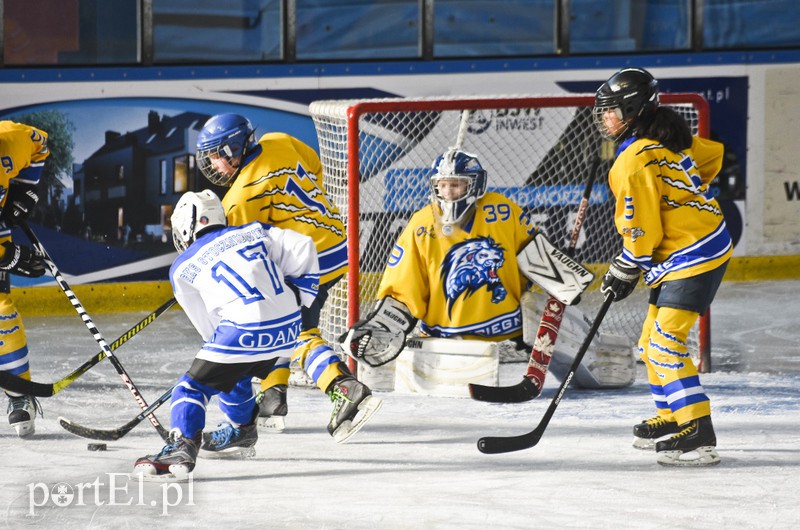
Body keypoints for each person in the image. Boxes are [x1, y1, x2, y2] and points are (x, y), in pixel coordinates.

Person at [341, 148, 602, 388]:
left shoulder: (501, 210)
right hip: (445, 337)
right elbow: (403, 284)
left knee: (547, 314)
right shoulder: (420, 224)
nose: (449, 192)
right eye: (442, 186)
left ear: (475, 185)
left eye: (456, 185)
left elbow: (532, 250)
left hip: (511, 329)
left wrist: (564, 280)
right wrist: (386, 323)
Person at [195, 114, 380, 442]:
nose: (212, 166)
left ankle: (345, 388)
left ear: (232, 150)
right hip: (337, 243)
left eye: (213, 157)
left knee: (294, 333)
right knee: (277, 315)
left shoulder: (239, 197)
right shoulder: (280, 140)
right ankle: (273, 394)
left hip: (307, 261)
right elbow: (315, 169)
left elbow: (245, 258)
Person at [592, 67, 733, 466]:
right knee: (648, 341)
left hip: (694, 253)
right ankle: (671, 416)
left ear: (632, 109)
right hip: (689, 248)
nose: (604, 118)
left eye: (610, 110)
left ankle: (698, 432)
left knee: (664, 343)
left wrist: (625, 267)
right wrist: (683, 196)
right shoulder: (663, 139)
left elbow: (643, 231)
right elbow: (711, 156)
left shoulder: (633, 161)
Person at [133, 190, 321, 479]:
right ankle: (242, 430)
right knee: (234, 373)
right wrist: (298, 298)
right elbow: (303, 245)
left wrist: (213, 364)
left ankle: (182, 444)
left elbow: (208, 327)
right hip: (288, 330)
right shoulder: (256, 230)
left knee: (192, 388)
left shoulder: (182, 267)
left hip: (244, 330)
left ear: (185, 227)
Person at [0, 120, 48, 437]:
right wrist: (10, 257)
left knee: (1, 312)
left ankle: (20, 395)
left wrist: (24, 191)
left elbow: (40, 144)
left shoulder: (11, 139)